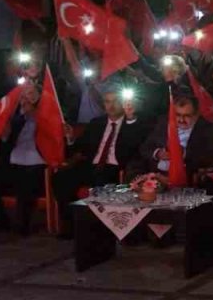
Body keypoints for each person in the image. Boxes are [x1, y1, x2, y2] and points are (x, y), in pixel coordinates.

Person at [51, 87, 147, 238]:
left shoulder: (133, 123)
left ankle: (99, 232)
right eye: (108, 102)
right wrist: (70, 138)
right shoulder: (96, 123)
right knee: (61, 177)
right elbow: (79, 148)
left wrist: (130, 119)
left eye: (116, 101)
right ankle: (71, 226)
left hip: (116, 168)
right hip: (92, 165)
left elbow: (134, 147)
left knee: (101, 180)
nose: (111, 105)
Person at [130, 94, 213, 183]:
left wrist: (181, 154)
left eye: (187, 116)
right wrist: (158, 153)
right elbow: (145, 147)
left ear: (197, 115)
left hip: (187, 178)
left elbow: (211, 159)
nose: (181, 120)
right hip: (156, 175)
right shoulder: (163, 123)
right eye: (177, 115)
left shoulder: (211, 130)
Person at [0, 84, 46, 234]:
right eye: (23, 95)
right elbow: (6, 141)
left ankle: (22, 224)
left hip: (36, 161)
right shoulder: (16, 117)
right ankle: (2, 220)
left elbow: (51, 133)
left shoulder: (46, 113)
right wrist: (5, 134)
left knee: (26, 182)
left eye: (30, 94)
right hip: (14, 160)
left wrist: (34, 113)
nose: (26, 98)